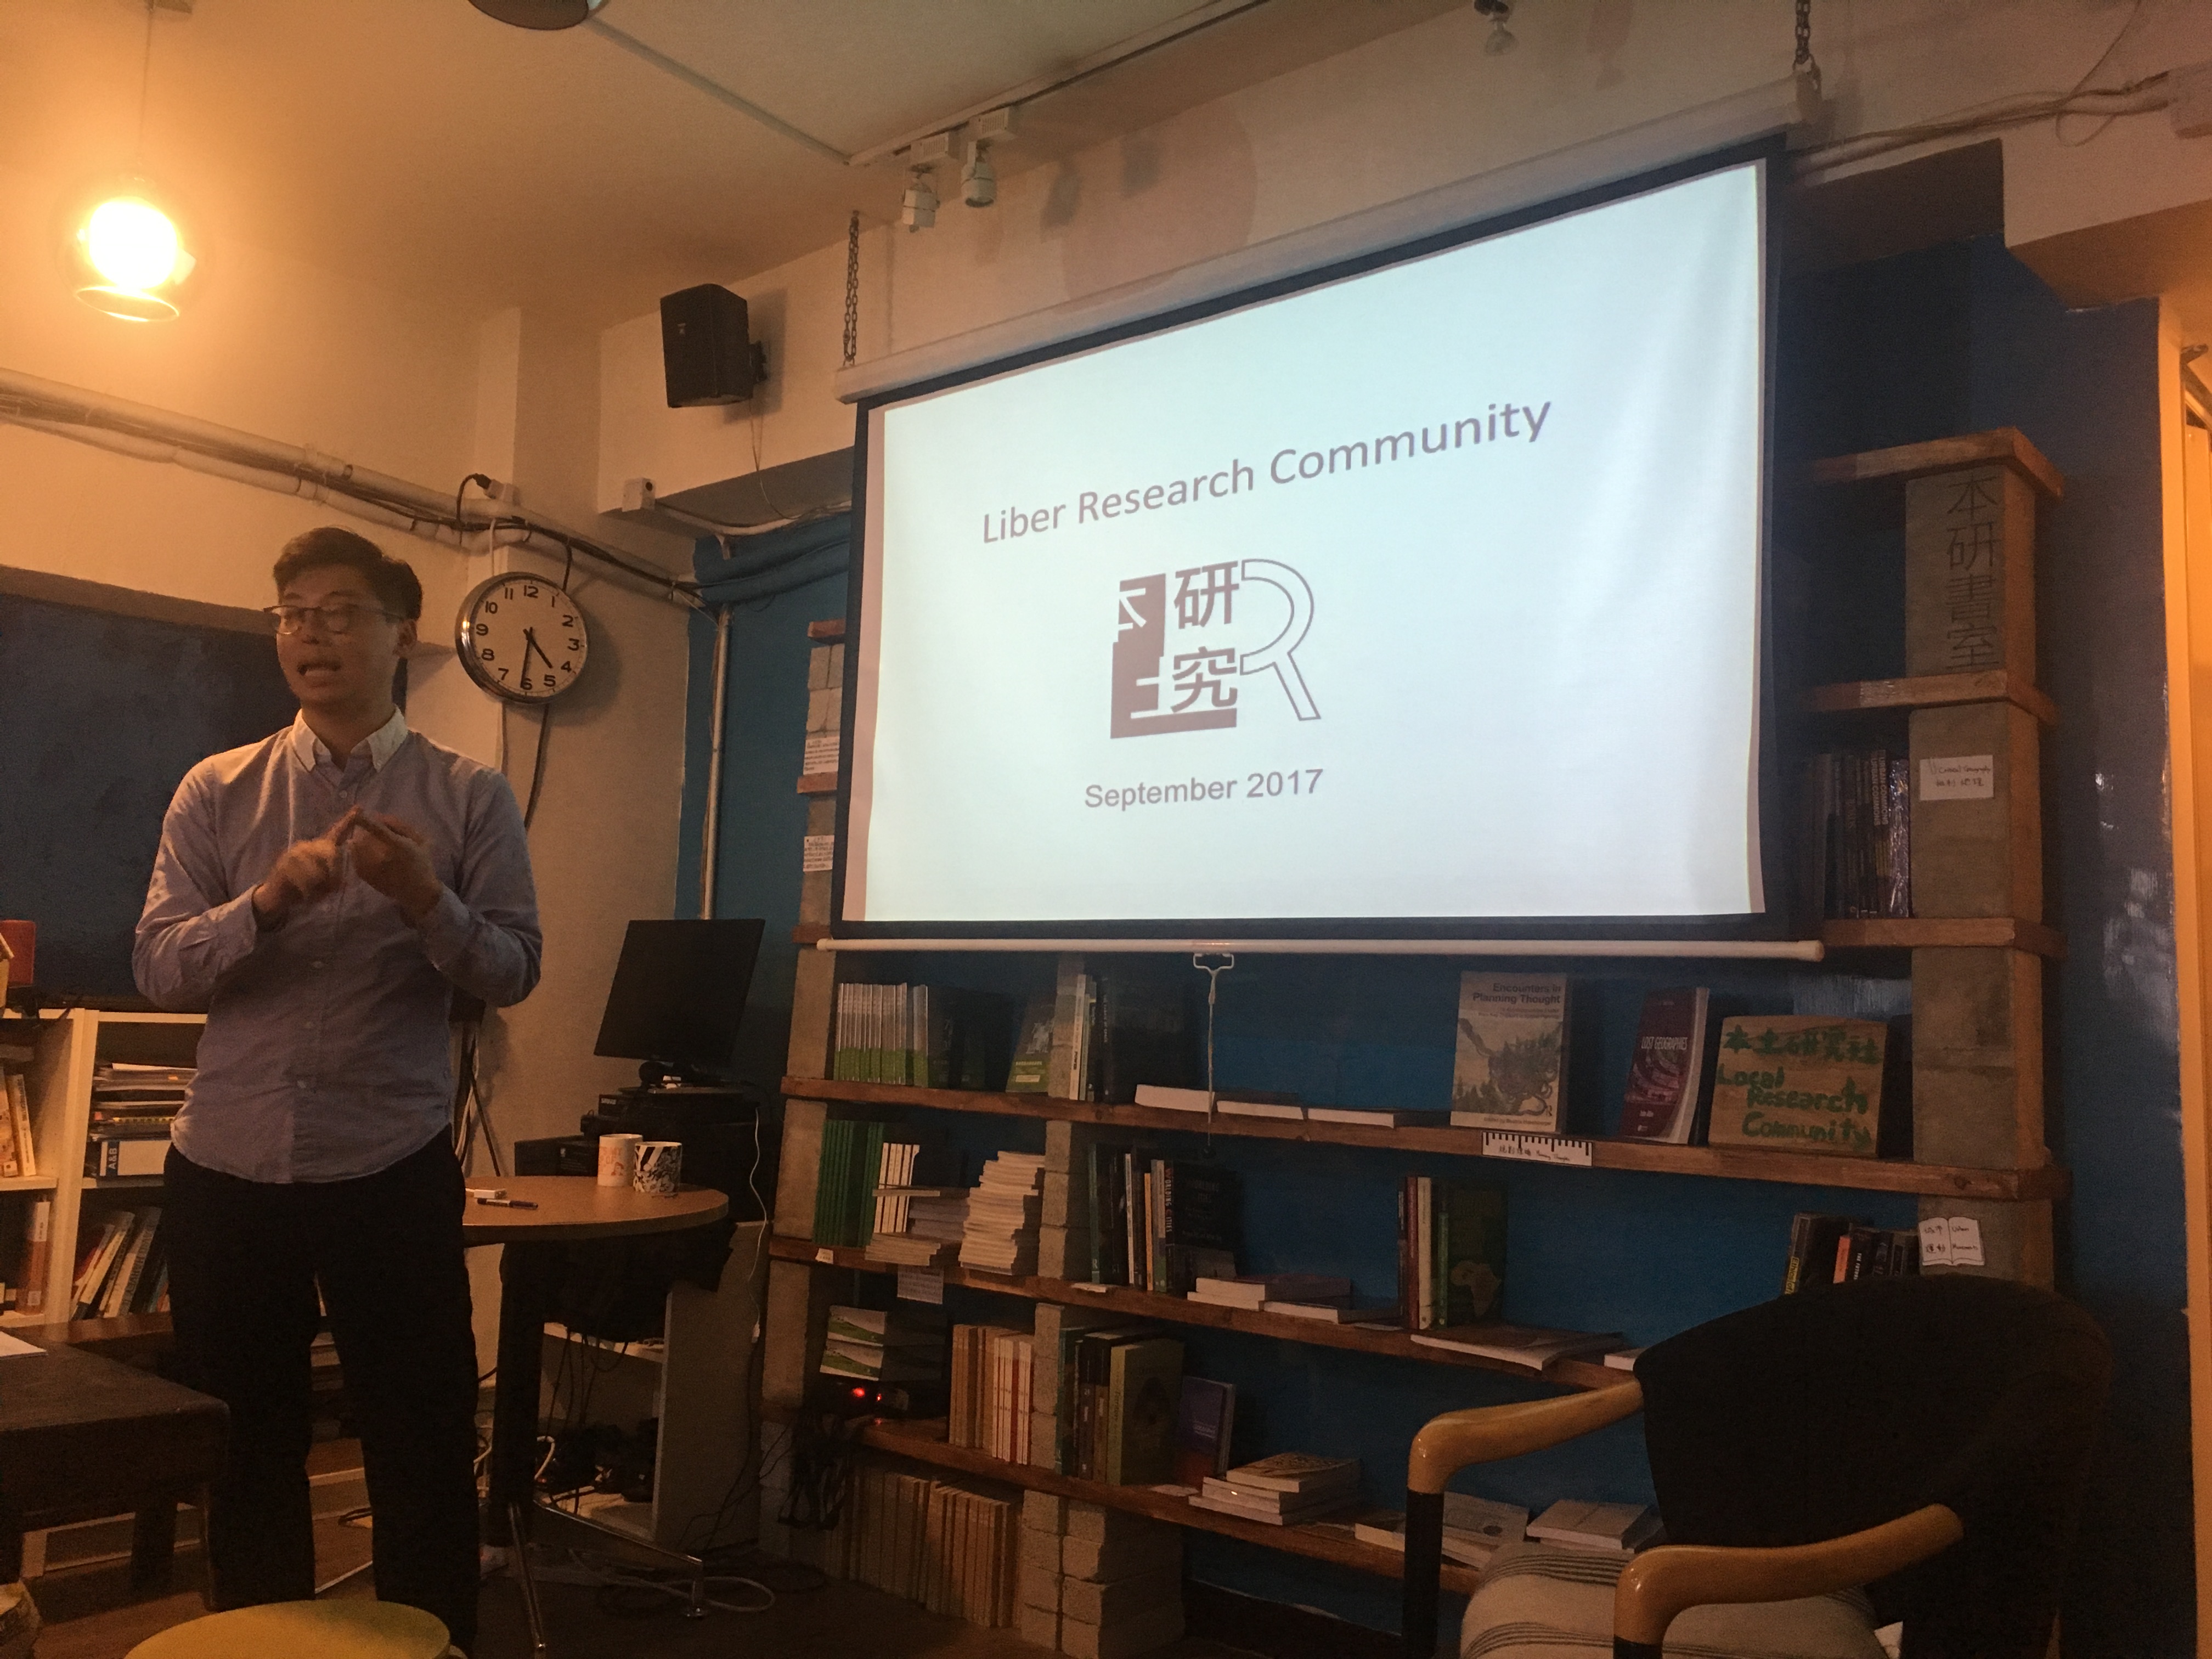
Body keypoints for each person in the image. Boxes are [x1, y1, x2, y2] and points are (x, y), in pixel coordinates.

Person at [134, 526, 541, 1652]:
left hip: (388, 1165)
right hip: (228, 1165)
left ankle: (432, 1647)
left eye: (339, 612)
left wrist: (424, 900)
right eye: (292, 615)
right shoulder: (217, 790)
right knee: (245, 1445)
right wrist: (264, 904)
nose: (310, 634)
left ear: (402, 633)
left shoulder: (470, 795)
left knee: (421, 1441)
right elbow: (158, 966)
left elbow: (514, 969)